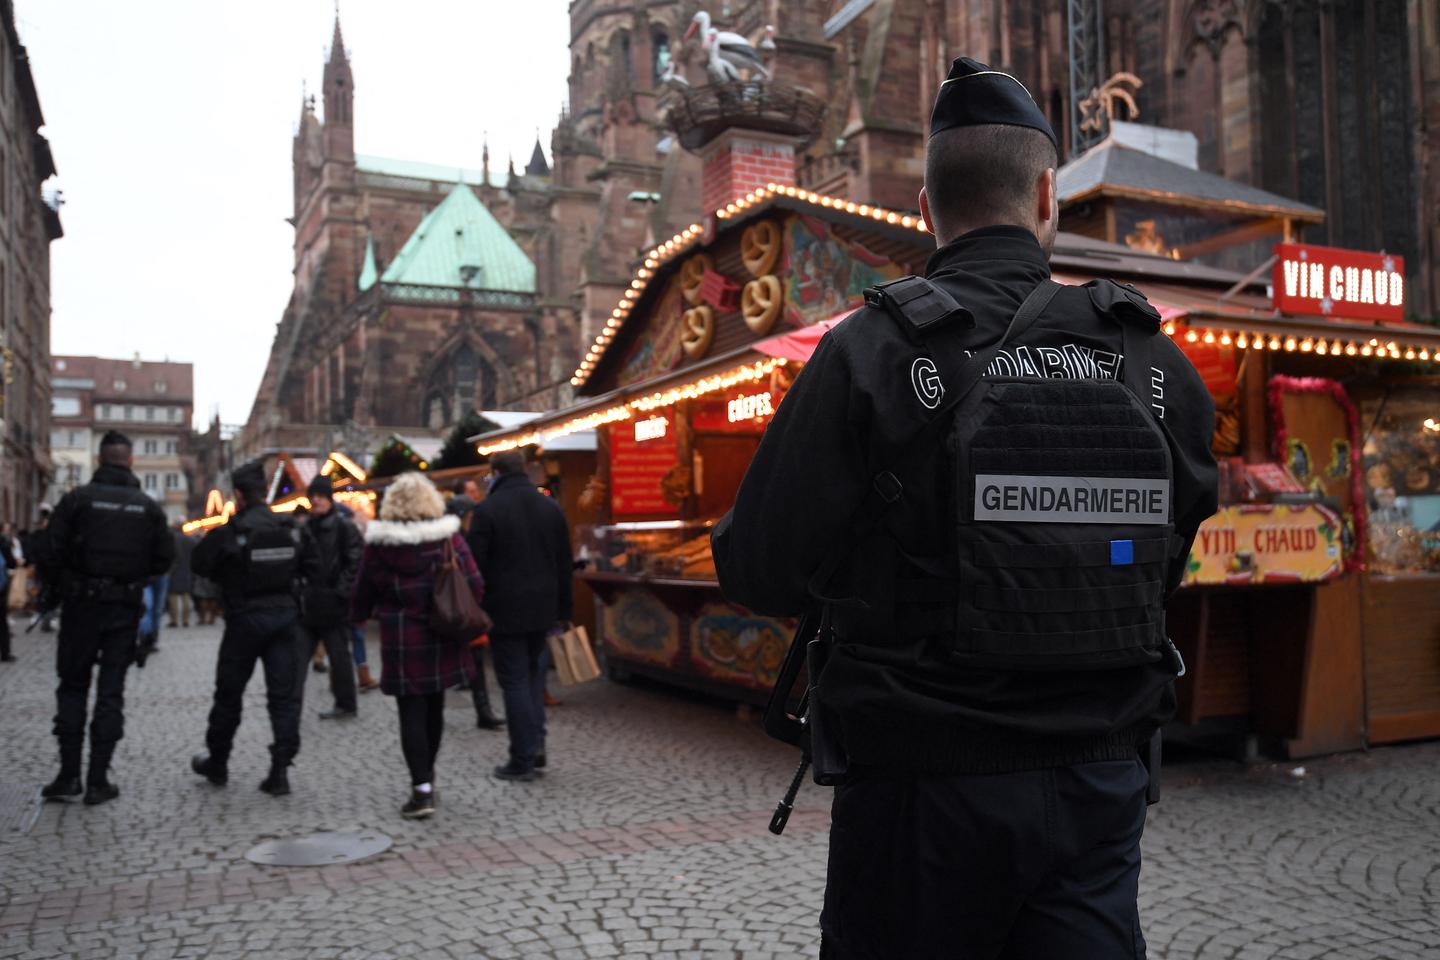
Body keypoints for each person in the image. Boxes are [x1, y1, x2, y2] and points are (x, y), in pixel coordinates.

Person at [712, 58, 1219, 959]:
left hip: (920, 787)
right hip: (1100, 779)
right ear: (1048, 196)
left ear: (924, 209)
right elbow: (1165, 553)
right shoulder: (1154, 364)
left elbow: (758, 566)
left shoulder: (868, 352)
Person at [35, 431, 173, 805]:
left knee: (72, 686)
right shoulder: (147, 507)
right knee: (111, 692)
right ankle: (98, 780)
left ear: (99, 460)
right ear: (129, 462)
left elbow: (48, 550)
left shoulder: (77, 501)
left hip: (81, 607)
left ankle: (68, 775)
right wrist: (134, 576)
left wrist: (62, 582)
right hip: (123, 609)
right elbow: (164, 559)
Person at [351, 472, 482, 818]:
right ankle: (429, 777)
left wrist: (362, 615)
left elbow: (362, 594)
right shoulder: (447, 540)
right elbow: (475, 584)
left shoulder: (378, 546)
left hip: (401, 639)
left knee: (410, 712)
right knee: (434, 707)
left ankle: (420, 787)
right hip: (440, 634)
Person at [190, 461, 318, 797]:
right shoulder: (290, 528)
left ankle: (218, 762)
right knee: (284, 698)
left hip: (243, 621)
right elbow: (314, 568)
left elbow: (199, 562)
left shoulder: (232, 531)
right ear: (264, 492)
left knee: (229, 696)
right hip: (285, 620)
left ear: (239, 495)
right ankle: (280, 770)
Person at [467, 450, 573, 782]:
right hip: (543, 610)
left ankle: (522, 758)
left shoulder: (487, 511)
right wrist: (564, 611)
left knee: (514, 682)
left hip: (504, 610)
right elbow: (563, 563)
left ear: (496, 472)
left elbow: (475, 568)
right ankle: (536, 745)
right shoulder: (549, 507)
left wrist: (476, 609)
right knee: (533, 678)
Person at [297, 475, 362, 719]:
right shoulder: (306, 528)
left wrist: (340, 592)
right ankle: (289, 706)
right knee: (298, 657)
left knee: (339, 656)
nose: (316, 500)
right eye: (313, 496)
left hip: (333, 603)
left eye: (321, 496)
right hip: (310, 602)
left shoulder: (344, 527)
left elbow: (354, 561)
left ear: (329, 499)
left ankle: (346, 703)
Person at [445, 492, 503, 730]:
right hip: (463, 607)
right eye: (470, 515)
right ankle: (483, 711)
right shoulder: (457, 539)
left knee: (474, 660)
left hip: (453, 608)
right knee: (471, 660)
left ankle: (483, 710)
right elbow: (474, 578)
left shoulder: (453, 537)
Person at [167, 522, 195, 628]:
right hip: (187, 570)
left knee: (173, 596)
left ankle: (174, 620)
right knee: (186, 596)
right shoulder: (190, 540)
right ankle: (186, 620)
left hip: (174, 571)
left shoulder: (172, 539)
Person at [0, 523, 19, 662]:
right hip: (1, 589)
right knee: (2, 622)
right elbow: (12, 564)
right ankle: (5, 653)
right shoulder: (4, 543)